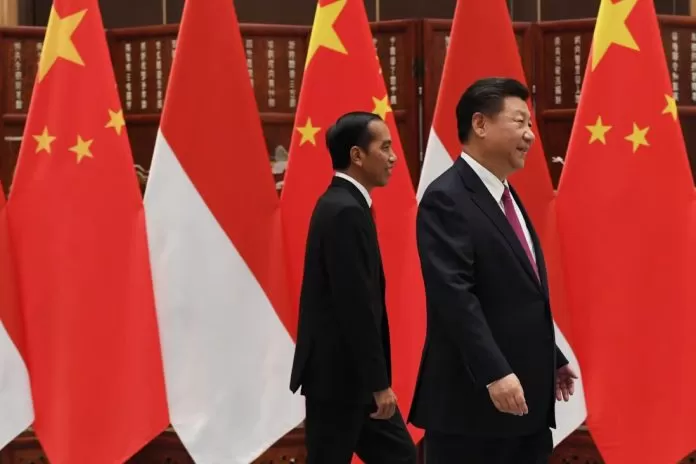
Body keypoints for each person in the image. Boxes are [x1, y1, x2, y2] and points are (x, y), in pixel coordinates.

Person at [409, 77, 577, 463]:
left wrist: (550, 356)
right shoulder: (446, 198)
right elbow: (456, 298)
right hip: (474, 408)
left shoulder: (504, 193)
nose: (530, 135)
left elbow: (511, 293)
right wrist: (494, 373)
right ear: (480, 124)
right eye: (519, 122)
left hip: (525, 405)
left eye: (530, 124)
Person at [289, 111, 417, 464]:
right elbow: (355, 306)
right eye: (385, 147)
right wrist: (379, 383)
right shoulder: (345, 211)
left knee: (400, 456)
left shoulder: (344, 204)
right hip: (340, 379)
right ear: (357, 155)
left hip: (348, 376)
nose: (393, 157)